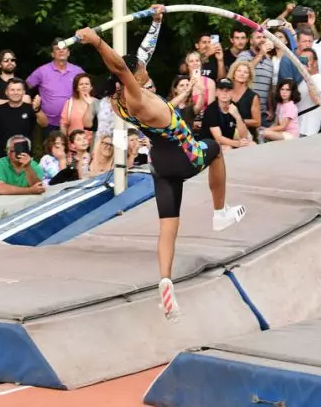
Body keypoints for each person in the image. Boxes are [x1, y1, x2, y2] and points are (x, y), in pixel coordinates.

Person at [73, 25, 246, 322]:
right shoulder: (137, 97)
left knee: (168, 226)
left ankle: (165, 282)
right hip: (183, 155)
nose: (145, 70)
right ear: (131, 76)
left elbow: (121, 66)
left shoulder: (118, 103)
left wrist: (156, 21)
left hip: (160, 164)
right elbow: (119, 65)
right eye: (141, 69)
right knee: (214, 149)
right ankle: (220, 212)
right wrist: (97, 42)